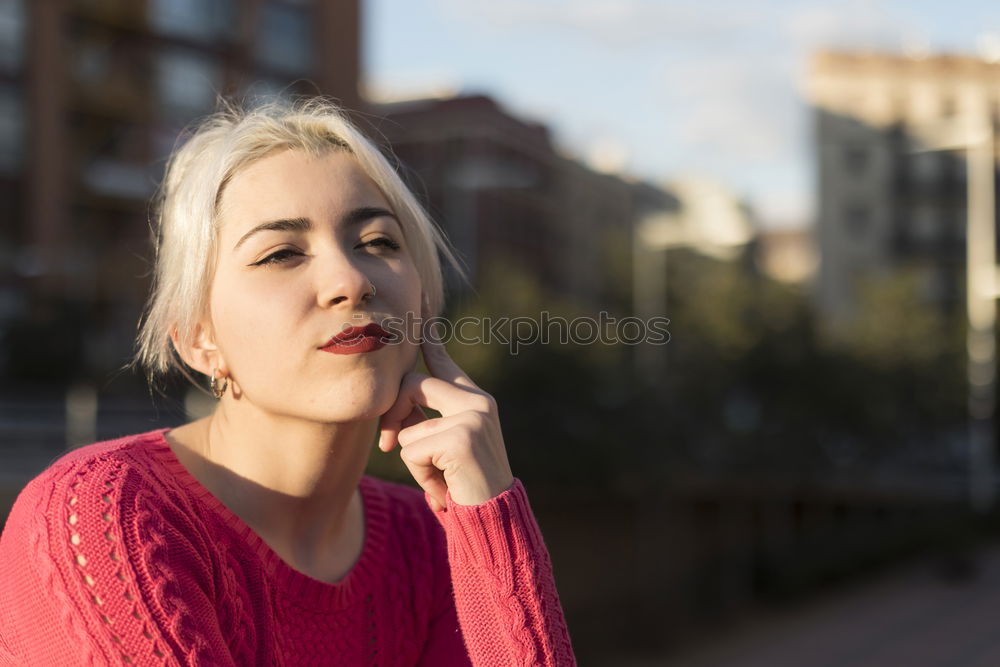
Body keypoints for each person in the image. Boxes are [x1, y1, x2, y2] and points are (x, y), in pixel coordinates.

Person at [0, 98, 576, 666]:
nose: (350, 281)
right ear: (200, 338)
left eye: (377, 242)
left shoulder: (431, 543)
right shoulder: (104, 517)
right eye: (280, 254)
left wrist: (491, 517)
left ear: (423, 301)